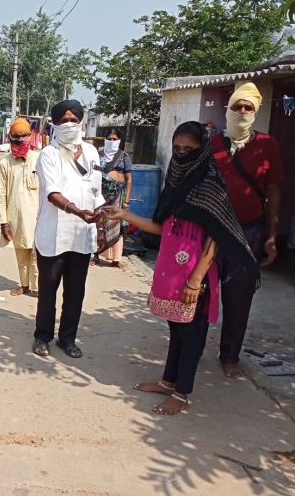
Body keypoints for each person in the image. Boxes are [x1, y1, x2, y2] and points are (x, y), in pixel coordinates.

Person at [106, 122, 257, 415]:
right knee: (176, 330)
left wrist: (196, 279)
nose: (183, 153)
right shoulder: (174, 184)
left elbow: (217, 236)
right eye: (178, 148)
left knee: (192, 335)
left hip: (194, 277)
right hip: (170, 271)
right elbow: (162, 229)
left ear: (202, 151)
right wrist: (124, 214)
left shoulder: (211, 186)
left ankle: (182, 393)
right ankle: (167, 381)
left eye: (190, 149)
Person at [210, 82, 283, 378]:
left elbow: (274, 190)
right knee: (201, 291)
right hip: (211, 231)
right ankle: (191, 347)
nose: (242, 111)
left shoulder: (267, 145)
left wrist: (271, 235)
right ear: (228, 109)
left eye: (248, 107)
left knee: (239, 296)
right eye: (237, 106)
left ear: (255, 111)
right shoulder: (211, 144)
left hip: (249, 232)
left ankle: (230, 355)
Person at [32, 100, 105, 359]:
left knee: (75, 292)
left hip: (82, 235)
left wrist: (100, 212)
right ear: (54, 123)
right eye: (63, 120)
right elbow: (52, 193)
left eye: (74, 119)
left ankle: (67, 339)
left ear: (81, 121)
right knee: (48, 290)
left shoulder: (91, 152)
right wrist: (76, 211)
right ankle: (42, 336)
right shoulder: (48, 154)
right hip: (54, 234)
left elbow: (95, 189)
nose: (69, 124)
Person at [0, 118, 40, 296]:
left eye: (24, 136)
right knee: (21, 252)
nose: (20, 140)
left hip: (37, 216)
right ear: (10, 138)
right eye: (16, 137)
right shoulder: (4, 163)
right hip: (15, 217)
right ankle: (25, 285)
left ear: (31, 136)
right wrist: (3, 222)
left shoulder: (40, 159)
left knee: (37, 254)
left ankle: (37, 288)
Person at [92, 129, 133, 268]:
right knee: (98, 224)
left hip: (117, 197)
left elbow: (128, 180)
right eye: (109, 138)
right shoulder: (97, 154)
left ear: (119, 141)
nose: (112, 141)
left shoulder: (124, 157)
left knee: (117, 227)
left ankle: (116, 259)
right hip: (100, 196)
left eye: (115, 139)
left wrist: (126, 201)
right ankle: (95, 255)